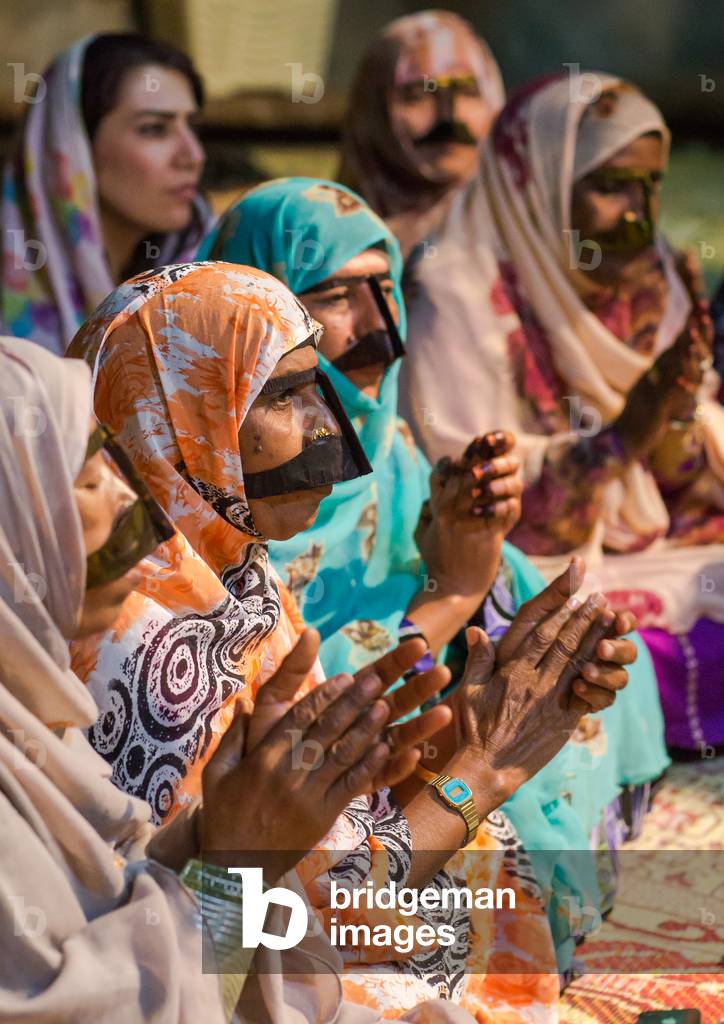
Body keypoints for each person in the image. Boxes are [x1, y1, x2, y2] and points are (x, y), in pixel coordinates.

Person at [69, 259, 629, 1018]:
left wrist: (454, 735)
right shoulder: (140, 653)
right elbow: (296, 907)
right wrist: (485, 767)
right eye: (284, 395)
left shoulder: (229, 577)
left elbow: (322, 835)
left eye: (316, 386)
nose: (329, 426)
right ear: (184, 412)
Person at [197, 176, 668, 974]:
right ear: (256, 320)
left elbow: (477, 595)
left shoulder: (391, 453)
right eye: (334, 295)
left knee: (590, 663)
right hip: (288, 821)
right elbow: (289, 720)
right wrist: (447, 601)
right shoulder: (217, 497)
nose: (381, 330)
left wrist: (486, 571)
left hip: (390, 736)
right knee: (451, 870)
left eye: (385, 290)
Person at [0, 336, 462, 1023]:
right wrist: (241, 857)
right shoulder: (130, 659)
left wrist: (234, 828)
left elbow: (142, 901)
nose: (134, 497)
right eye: (83, 474)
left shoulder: (39, 720)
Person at [400, 72, 724, 756]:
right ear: (535, 182)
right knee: (568, 661)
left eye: (652, 185)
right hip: (506, 581)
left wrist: (670, 420)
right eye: (611, 187)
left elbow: (678, 489)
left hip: (641, 555)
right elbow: (464, 503)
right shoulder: (455, 290)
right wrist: (621, 436)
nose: (638, 213)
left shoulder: (648, 272)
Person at [1, 33, 210, 355]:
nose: (193, 156)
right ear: (71, 148)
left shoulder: (210, 272)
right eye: (154, 128)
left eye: (191, 126)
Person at [337, 10, 504, 259]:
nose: (450, 118)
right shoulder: (327, 247)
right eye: (418, 95)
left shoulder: (527, 240)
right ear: (373, 111)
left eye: (468, 92)